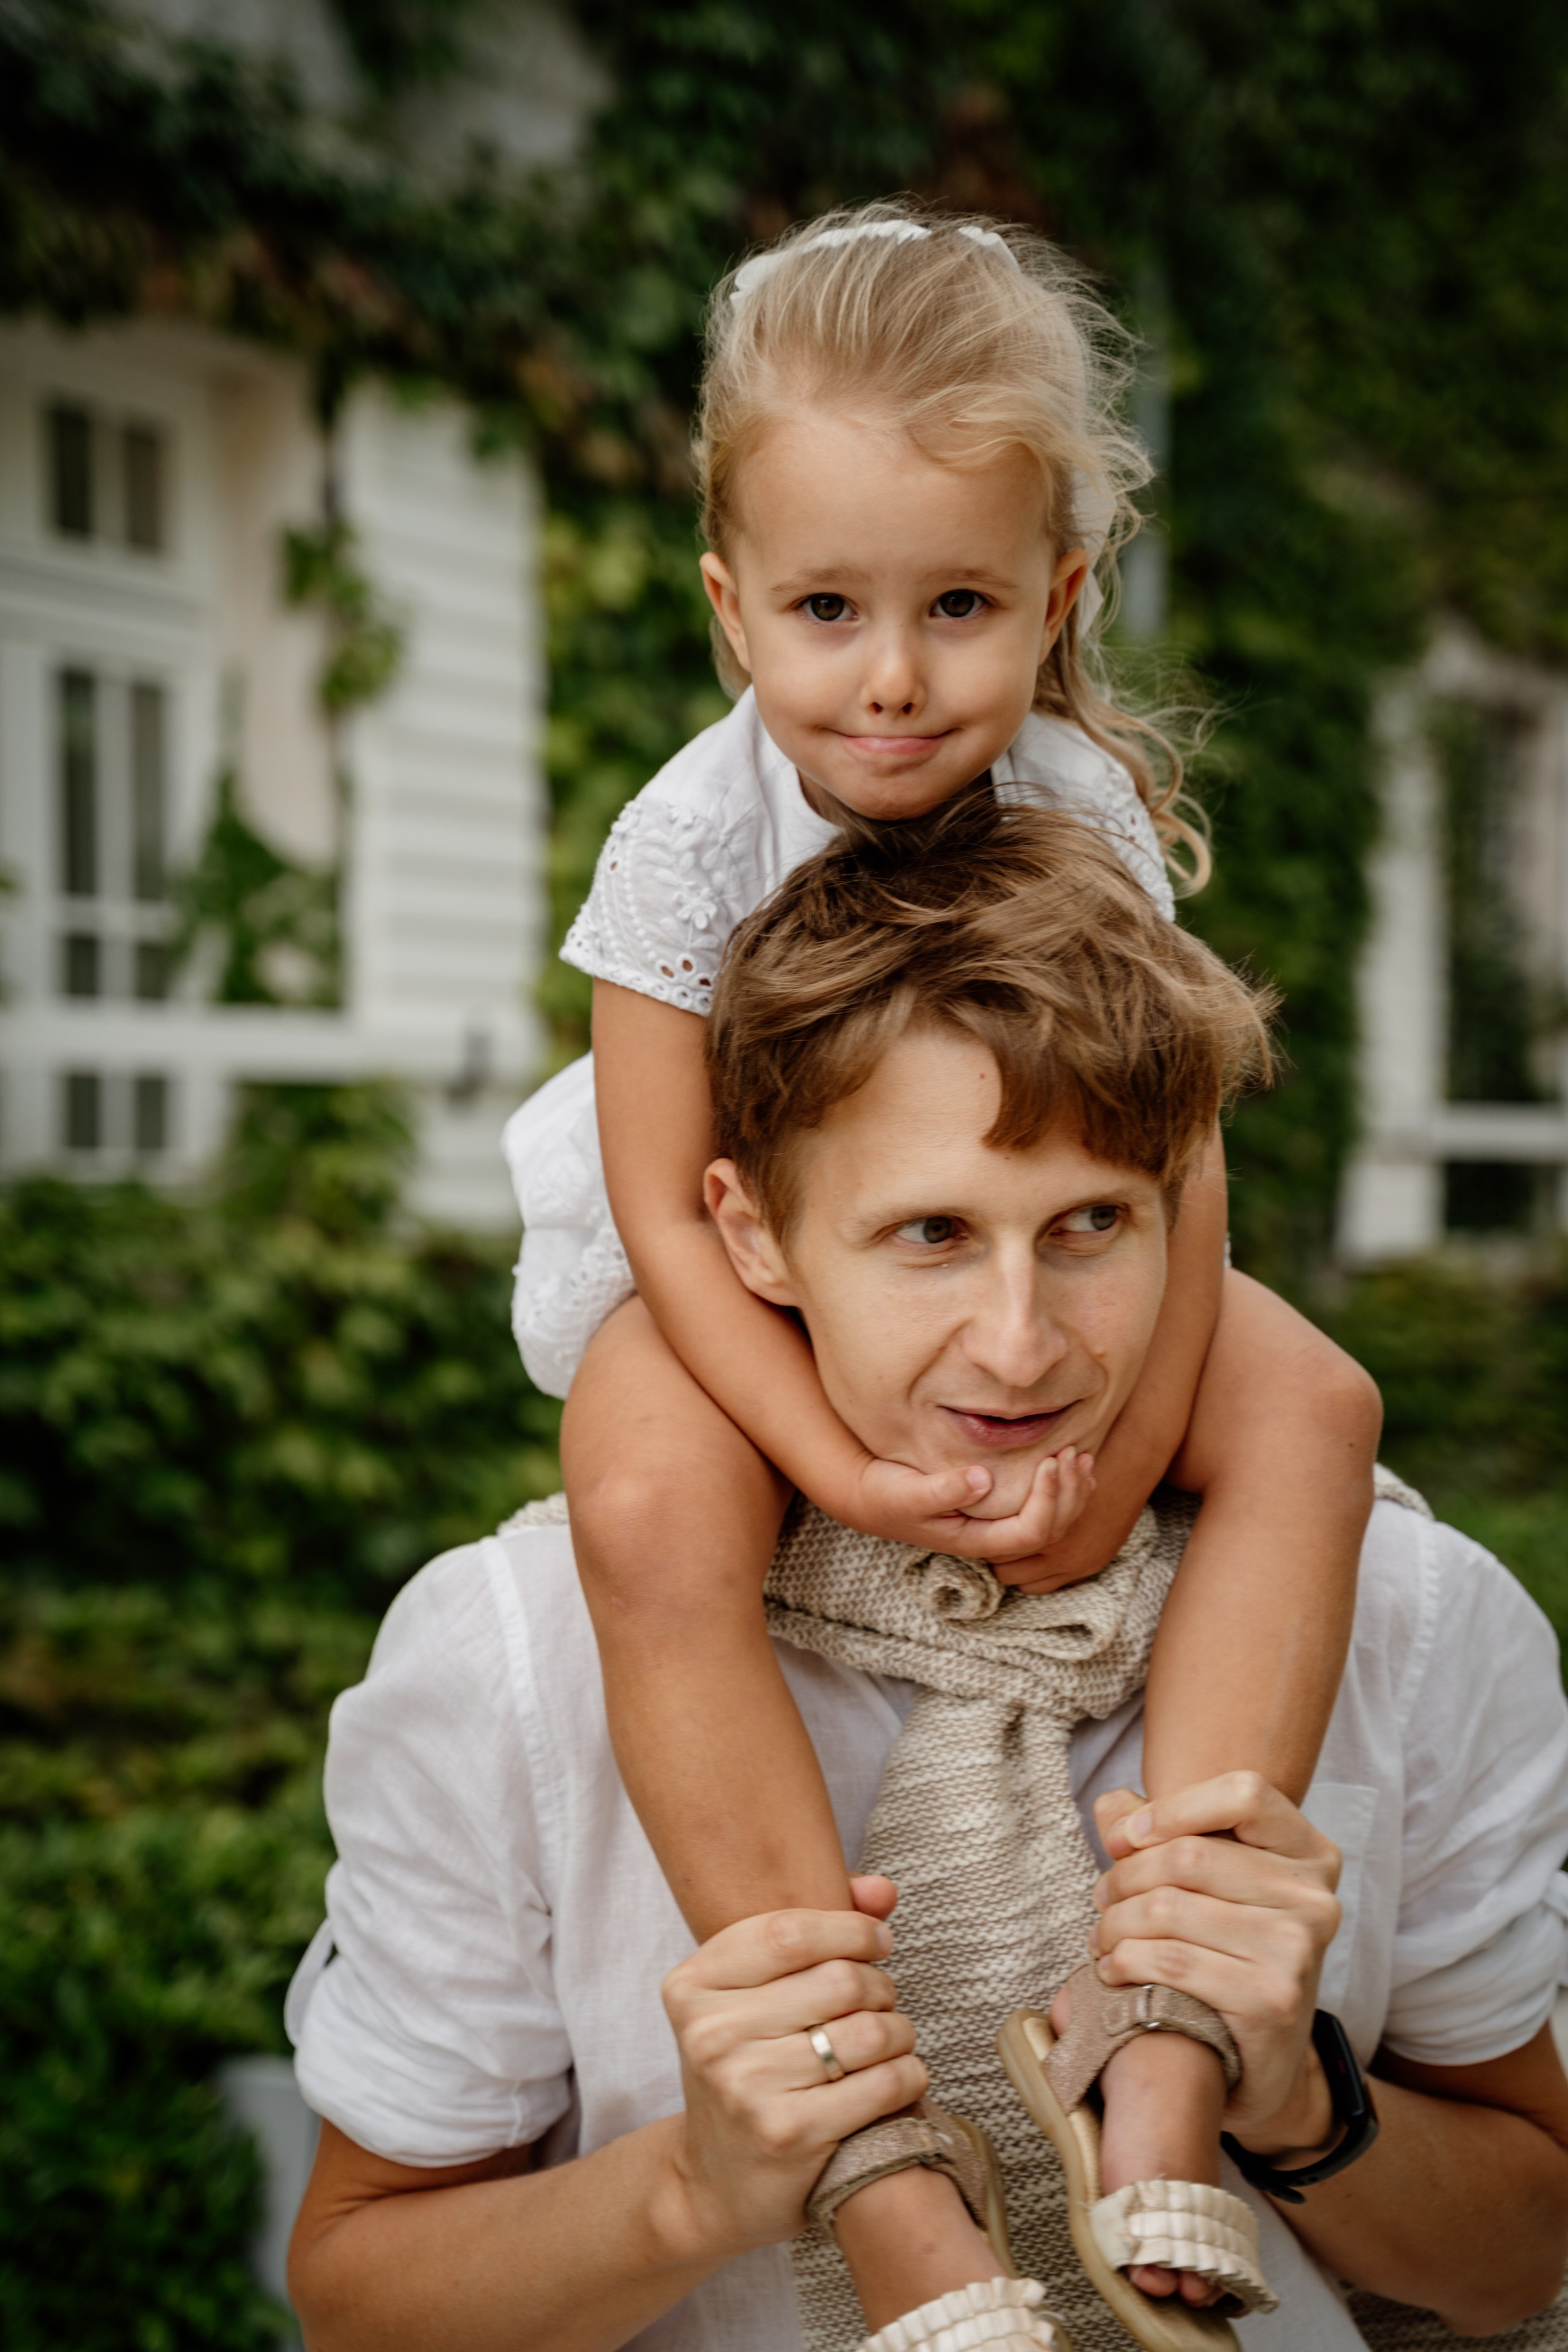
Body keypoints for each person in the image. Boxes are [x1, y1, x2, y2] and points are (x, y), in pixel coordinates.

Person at [288, 806, 1568, 2352]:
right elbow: (356, 2300)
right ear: (754, 1237)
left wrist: (1295, 2096)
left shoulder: (1415, 1618)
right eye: (931, 1235)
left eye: (1091, 1224)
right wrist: (694, 2190)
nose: (1021, 1346)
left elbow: (1521, 2268)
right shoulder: (514, 1656)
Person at [502, 201, 1381, 2323]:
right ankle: (872, 2148)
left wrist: (1128, 1442)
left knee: (1319, 1407)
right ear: (731, 611)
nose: (891, 677)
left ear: (1058, 597)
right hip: (727, 1267)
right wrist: (844, 1455)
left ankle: (1161, 2043)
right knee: (637, 1498)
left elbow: (1172, 1165)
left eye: (961, 605)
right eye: (826, 608)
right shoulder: (687, 838)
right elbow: (653, 1199)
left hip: (1042, 1231)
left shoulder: (1071, 800)